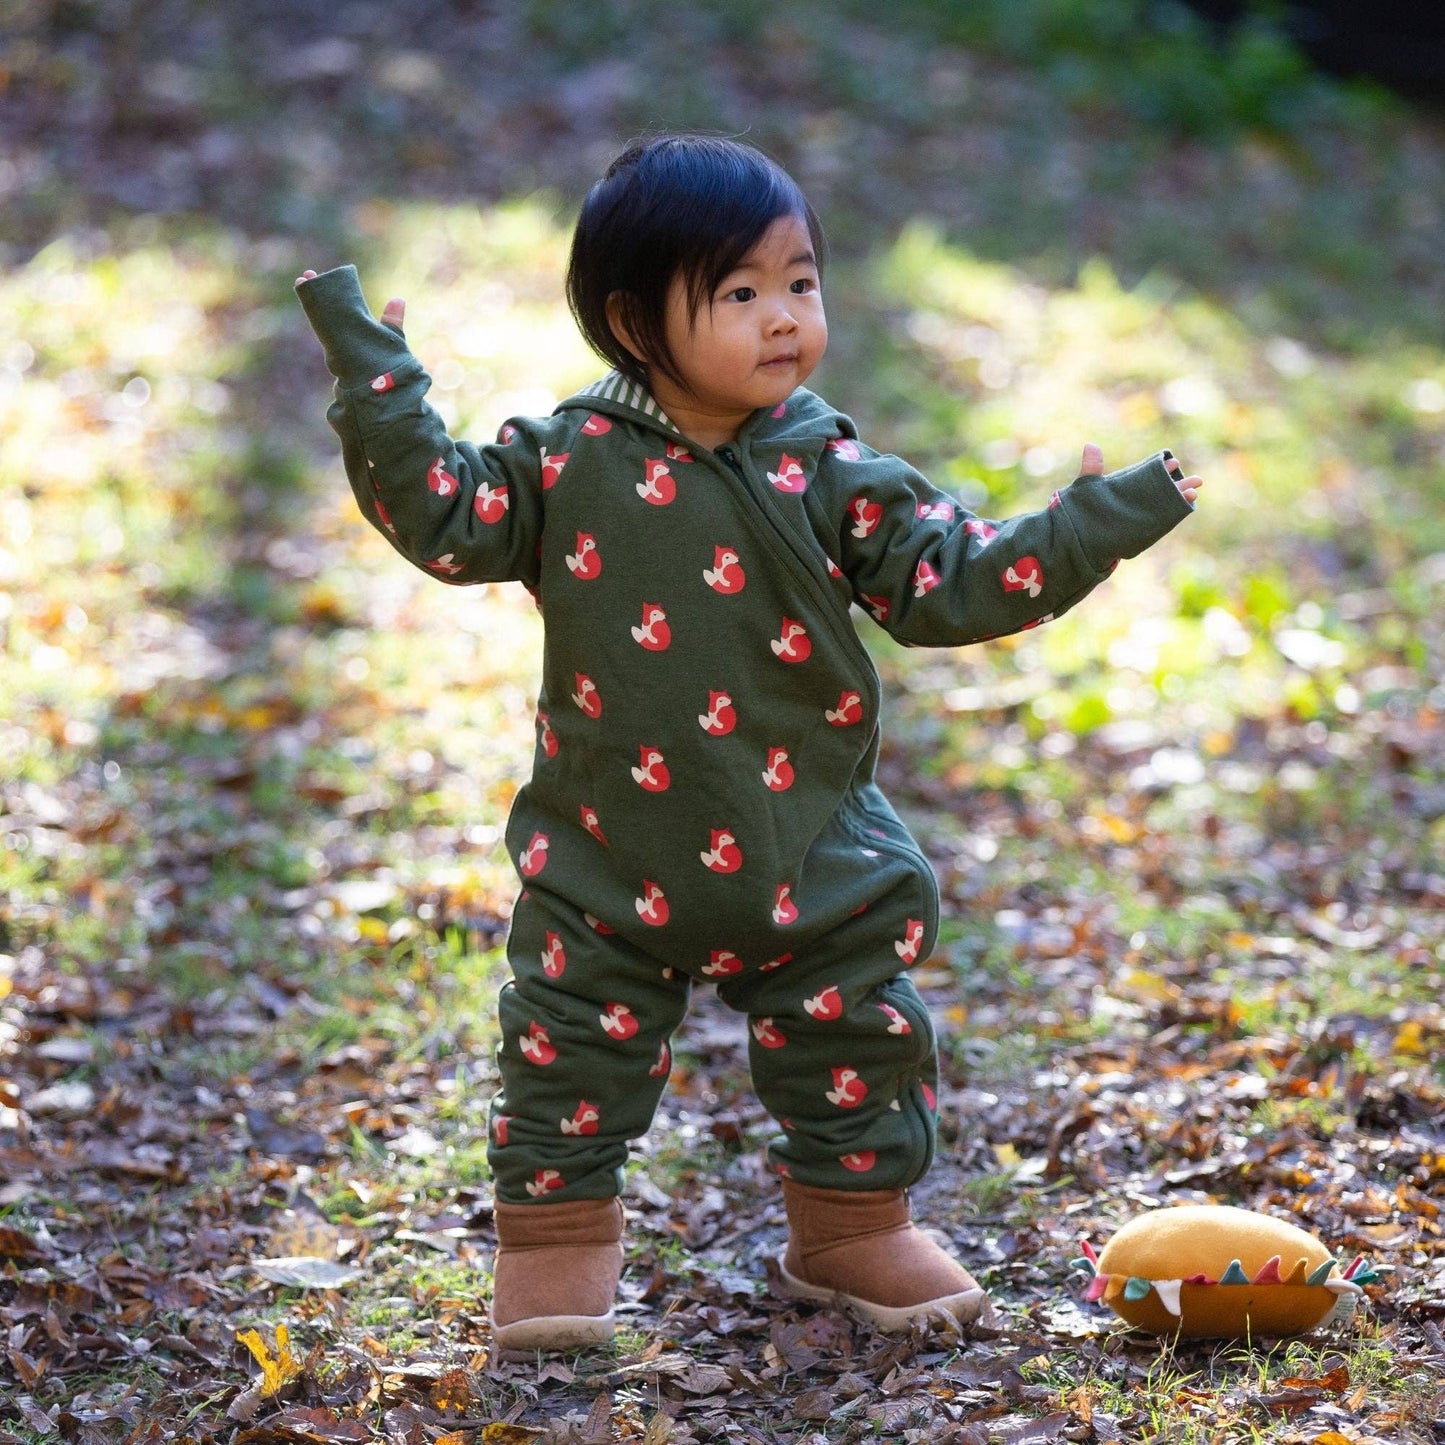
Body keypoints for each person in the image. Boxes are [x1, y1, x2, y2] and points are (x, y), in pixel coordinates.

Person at [295, 133, 1203, 1352]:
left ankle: (847, 1220)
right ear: (632, 321)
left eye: (800, 281)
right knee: (562, 1046)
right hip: (611, 849)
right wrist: (382, 393)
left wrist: (1092, 522)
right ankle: (554, 1243)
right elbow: (447, 520)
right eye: (738, 292)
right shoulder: (565, 460)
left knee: (855, 1029)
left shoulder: (830, 468)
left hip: (803, 842)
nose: (783, 318)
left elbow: (948, 584)